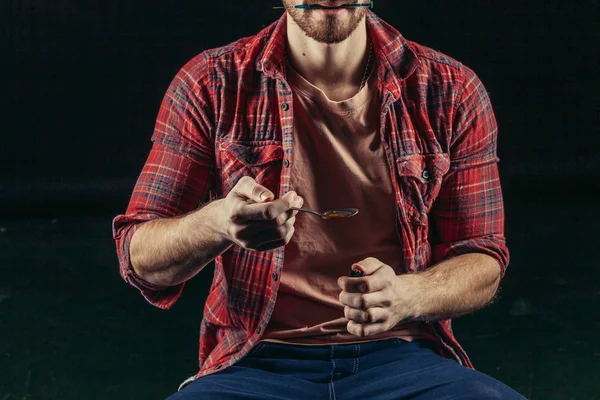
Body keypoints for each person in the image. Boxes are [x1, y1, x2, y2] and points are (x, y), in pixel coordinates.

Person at [112, 1, 526, 398]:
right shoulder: (211, 81)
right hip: (253, 365)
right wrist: (218, 223)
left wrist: (406, 296)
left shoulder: (451, 89)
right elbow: (140, 259)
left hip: (405, 360)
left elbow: (483, 259)